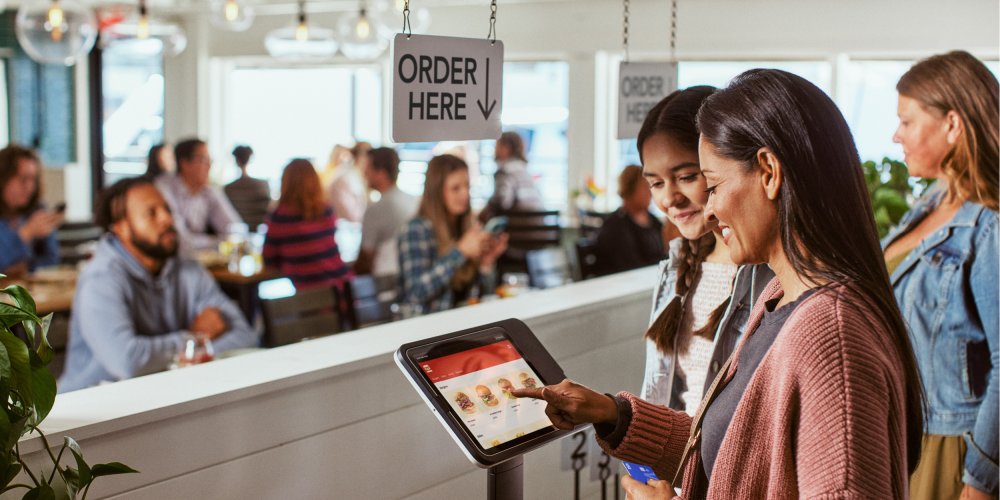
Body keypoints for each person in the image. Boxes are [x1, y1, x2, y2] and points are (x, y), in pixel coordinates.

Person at [513, 69, 924, 499]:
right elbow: (734, 457)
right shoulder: (779, 296)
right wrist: (613, 413)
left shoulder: (830, 333)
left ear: (767, 171)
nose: (707, 212)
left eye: (712, 185)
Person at [883, 51, 998, 500]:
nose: (896, 135)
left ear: (952, 124)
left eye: (907, 122)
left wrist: (980, 481)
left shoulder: (990, 225)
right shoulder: (930, 203)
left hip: (952, 451)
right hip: (907, 436)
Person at [632, 86, 773, 415]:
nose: (670, 198)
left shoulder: (771, 271)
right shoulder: (679, 264)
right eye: (655, 183)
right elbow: (663, 393)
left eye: (686, 176)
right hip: (678, 460)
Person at [59, 178, 259, 392]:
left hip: (160, 398)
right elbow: (128, 361)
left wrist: (189, 353)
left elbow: (246, 336)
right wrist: (192, 340)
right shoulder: (100, 278)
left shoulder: (188, 269)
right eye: (151, 213)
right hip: (93, 409)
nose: (166, 219)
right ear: (121, 228)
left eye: (166, 209)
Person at [398, 154, 508, 313]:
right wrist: (461, 252)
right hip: (430, 330)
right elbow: (416, 292)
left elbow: (484, 297)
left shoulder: (465, 226)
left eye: (467, 186)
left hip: (465, 324)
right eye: (456, 188)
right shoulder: (416, 229)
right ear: (436, 192)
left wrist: (486, 263)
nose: (465, 194)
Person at [263, 159, 353, 293]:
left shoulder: (280, 217)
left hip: (311, 297)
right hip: (343, 287)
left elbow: (269, 258)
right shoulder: (326, 211)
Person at [155, 138, 243, 255]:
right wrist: (219, 243)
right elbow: (180, 241)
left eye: (210, 160)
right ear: (184, 164)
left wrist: (224, 242)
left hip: (199, 263)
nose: (209, 165)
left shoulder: (208, 191)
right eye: (203, 159)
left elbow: (235, 229)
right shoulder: (164, 189)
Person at [354, 147, 418, 277]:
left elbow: (366, 257)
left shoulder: (376, 210)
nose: (364, 173)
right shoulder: (415, 199)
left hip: (388, 281)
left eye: (368, 168)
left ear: (381, 173)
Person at [0, 145, 62, 278]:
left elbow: (52, 259)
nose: (30, 187)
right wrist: (26, 233)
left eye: (33, 179)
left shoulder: (37, 210)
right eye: (23, 179)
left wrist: (25, 268)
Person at [593, 165, 664, 276]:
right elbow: (630, 268)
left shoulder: (653, 220)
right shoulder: (614, 226)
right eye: (645, 187)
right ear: (630, 189)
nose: (650, 193)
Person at [479, 131, 543, 223]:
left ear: (506, 148)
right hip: (539, 230)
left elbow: (502, 202)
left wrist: (481, 216)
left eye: (497, 145)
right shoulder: (525, 170)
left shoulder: (504, 171)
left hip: (518, 229)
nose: (494, 150)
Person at [224, 145, 271, 229]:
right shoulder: (262, 185)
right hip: (258, 234)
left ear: (236, 161)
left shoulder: (228, 188)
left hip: (236, 234)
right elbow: (269, 211)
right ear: (250, 159)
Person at [325, 142, 370, 224]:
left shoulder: (356, 174)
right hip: (344, 228)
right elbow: (351, 215)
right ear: (361, 157)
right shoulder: (345, 177)